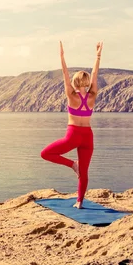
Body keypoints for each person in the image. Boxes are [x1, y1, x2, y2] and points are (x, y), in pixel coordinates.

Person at [40, 41, 103, 209]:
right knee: (84, 173)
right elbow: (95, 74)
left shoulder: (71, 95)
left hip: (73, 136)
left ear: (74, 83)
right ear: (88, 82)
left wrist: (62, 57)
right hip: (88, 136)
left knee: (45, 153)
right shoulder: (92, 95)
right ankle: (79, 202)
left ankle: (71, 165)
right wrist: (98, 56)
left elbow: (64, 74)